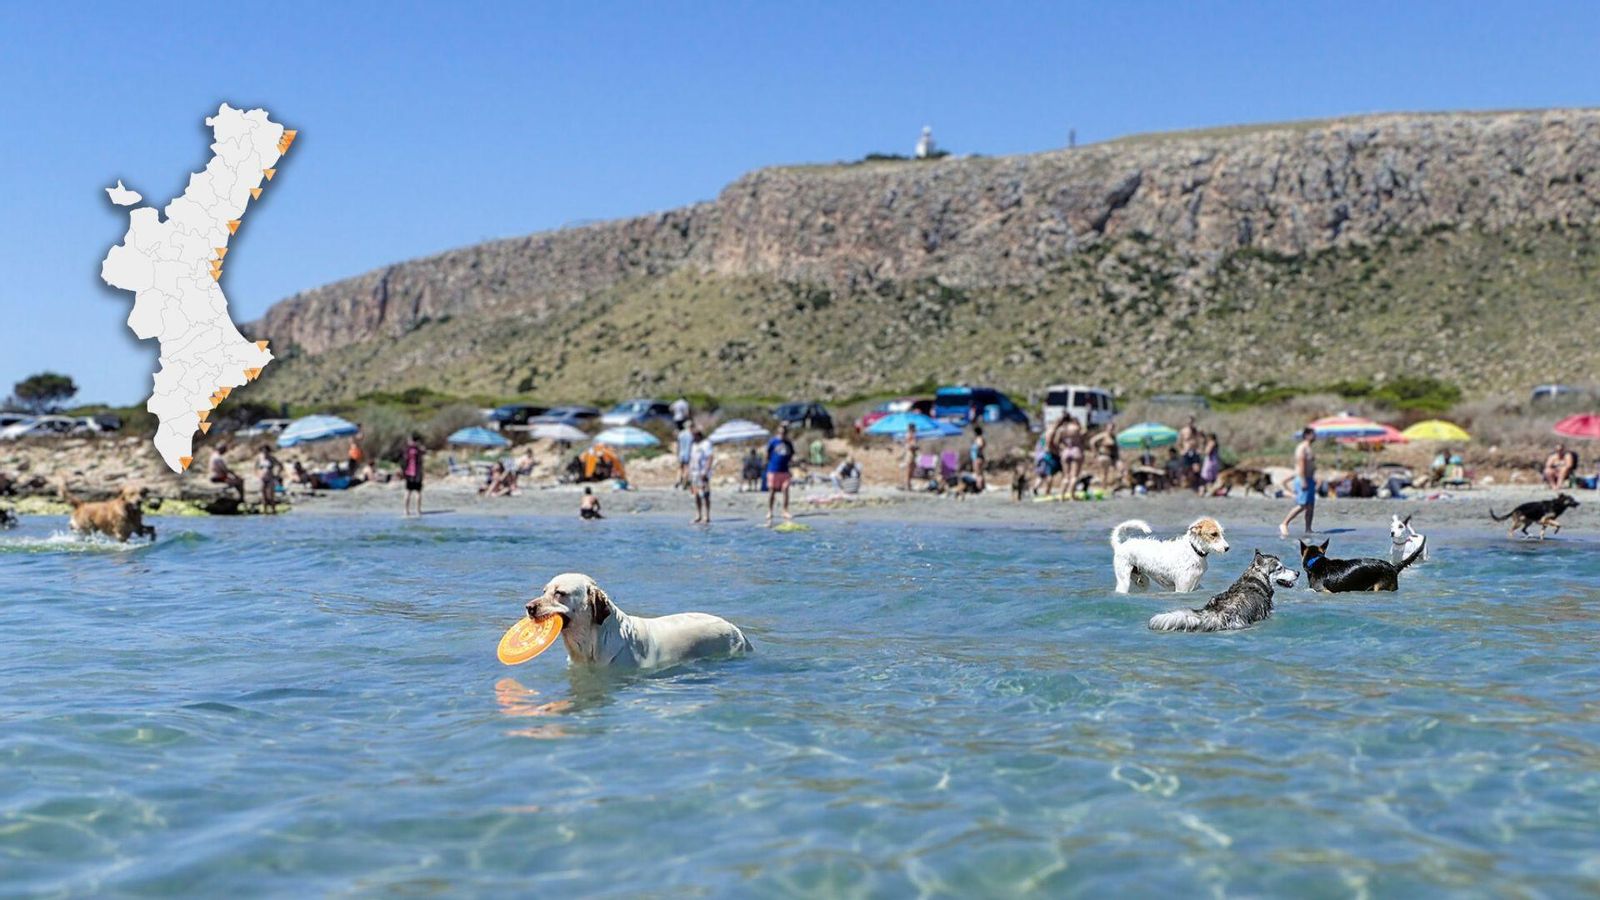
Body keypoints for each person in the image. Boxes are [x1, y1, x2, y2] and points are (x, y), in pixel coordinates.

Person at [1280, 427, 1317, 537]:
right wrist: (1303, 480)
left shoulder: (1309, 447)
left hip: (1310, 479)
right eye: (1313, 434)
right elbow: (1301, 464)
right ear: (1307, 435)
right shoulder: (1302, 448)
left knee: (1310, 505)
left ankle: (1308, 529)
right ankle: (1284, 523)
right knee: (1302, 504)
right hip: (1303, 479)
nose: (1315, 436)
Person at [765, 423, 796, 525]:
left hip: (785, 470)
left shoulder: (788, 443)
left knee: (785, 489)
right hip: (773, 470)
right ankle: (770, 511)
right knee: (772, 491)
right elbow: (767, 455)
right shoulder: (773, 441)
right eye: (781, 431)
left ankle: (785, 510)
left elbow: (791, 455)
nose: (783, 433)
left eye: (785, 431)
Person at [688, 427, 715, 524]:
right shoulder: (693, 445)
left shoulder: (706, 444)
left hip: (703, 473)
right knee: (696, 494)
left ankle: (707, 515)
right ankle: (698, 514)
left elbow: (710, 457)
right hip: (694, 473)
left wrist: (706, 471)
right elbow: (691, 459)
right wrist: (689, 473)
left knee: (705, 494)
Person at [1058, 415, 1085, 500]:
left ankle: (1061, 495)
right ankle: (1071, 495)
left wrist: (1063, 447)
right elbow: (1084, 435)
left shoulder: (1062, 429)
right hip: (1076, 450)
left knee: (1066, 476)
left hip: (1066, 451)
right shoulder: (1077, 428)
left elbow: (1056, 441)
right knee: (1074, 476)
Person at [1090, 422, 1120, 489]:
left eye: (1112, 428)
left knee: (1107, 473)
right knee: (1103, 473)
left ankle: (1104, 487)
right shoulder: (1103, 435)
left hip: (1110, 457)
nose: (1111, 429)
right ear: (1106, 428)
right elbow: (1092, 441)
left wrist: (1116, 457)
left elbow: (1116, 448)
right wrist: (1095, 452)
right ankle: (1102, 488)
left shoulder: (1113, 437)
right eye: (1109, 428)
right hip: (1102, 455)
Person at [402, 433, 426, 517]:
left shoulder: (408, 450)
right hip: (418, 474)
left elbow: (404, 461)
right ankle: (418, 510)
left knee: (408, 492)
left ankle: (406, 510)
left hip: (409, 473)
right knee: (418, 493)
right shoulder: (419, 450)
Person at [255, 444, 281, 513]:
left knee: (270, 496)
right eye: (263, 451)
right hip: (262, 478)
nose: (265, 453)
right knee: (263, 496)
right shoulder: (259, 458)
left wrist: (277, 474)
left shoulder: (272, 458)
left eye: (266, 451)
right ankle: (265, 510)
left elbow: (279, 465)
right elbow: (256, 467)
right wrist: (258, 474)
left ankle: (273, 510)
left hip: (270, 478)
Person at [675, 423, 694, 490]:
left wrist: (677, 453)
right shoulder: (691, 435)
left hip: (681, 453)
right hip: (687, 453)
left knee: (680, 468)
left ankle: (677, 481)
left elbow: (678, 445)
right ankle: (684, 483)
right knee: (686, 468)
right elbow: (692, 446)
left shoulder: (681, 434)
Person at [969, 426, 987, 491]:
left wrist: (976, 447)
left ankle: (979, 487)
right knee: (979, 472)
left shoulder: (979, 438)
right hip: (977, 457)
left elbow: (980, 445)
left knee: (978, 473)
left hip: (977, 457)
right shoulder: (979, 438)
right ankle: (981, 486)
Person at [902, 423, 920, 491]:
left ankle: (908, 484)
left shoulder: (912, 435)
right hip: (910, 453)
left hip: (912, 453)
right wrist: (915, 446)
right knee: (909, 469)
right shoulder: (909, 435)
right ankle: (907, 484)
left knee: (912, 468)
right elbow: (909, 445)